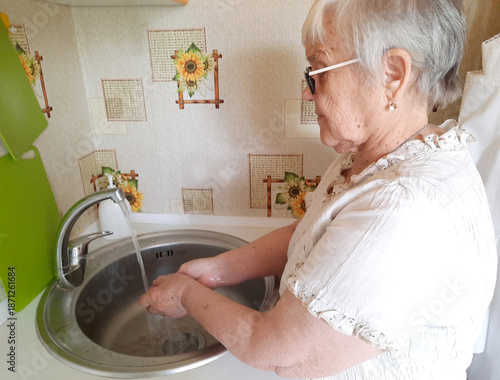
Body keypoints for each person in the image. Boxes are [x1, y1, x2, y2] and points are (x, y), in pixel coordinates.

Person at [139, 0, 498, 378]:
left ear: (393, 73)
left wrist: (184, 294)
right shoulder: (373, 157)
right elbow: (310, 234)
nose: (308, 91)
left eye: (320, 71)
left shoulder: (404, 209)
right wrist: (217, 270)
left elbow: (276, 350)